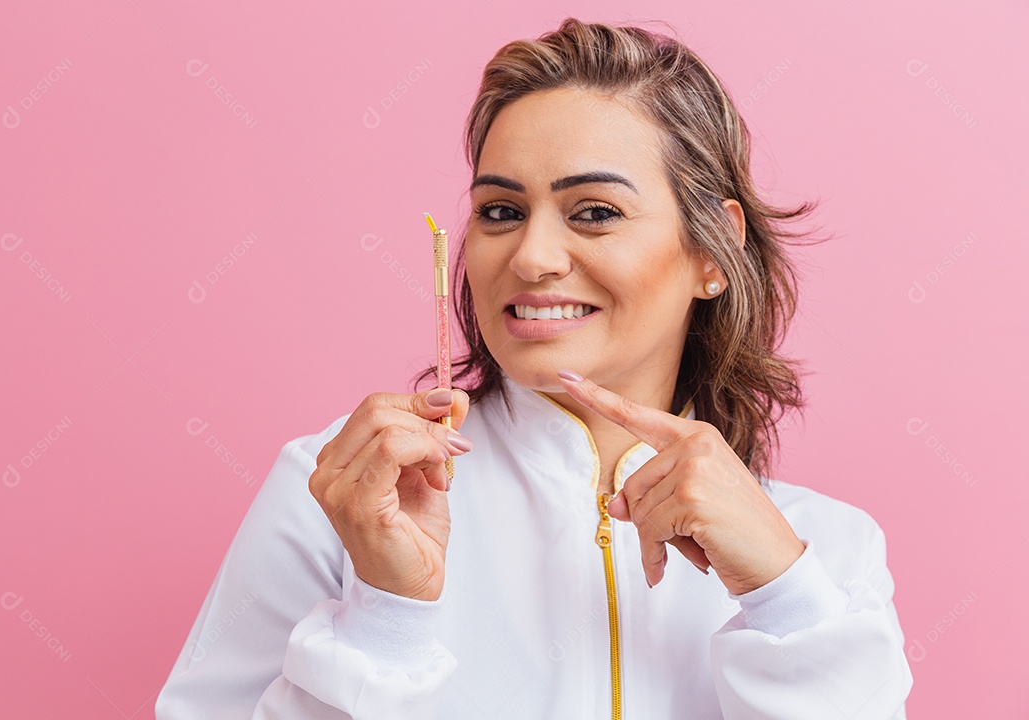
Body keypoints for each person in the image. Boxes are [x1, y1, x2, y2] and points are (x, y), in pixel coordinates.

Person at [155, 17, 913, 720]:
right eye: (501, 211)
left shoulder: (827, 553)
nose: (532, 257)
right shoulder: (344, 494)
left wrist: (785, 598)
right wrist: (386, 616)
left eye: (595, 212)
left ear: (713, 251)